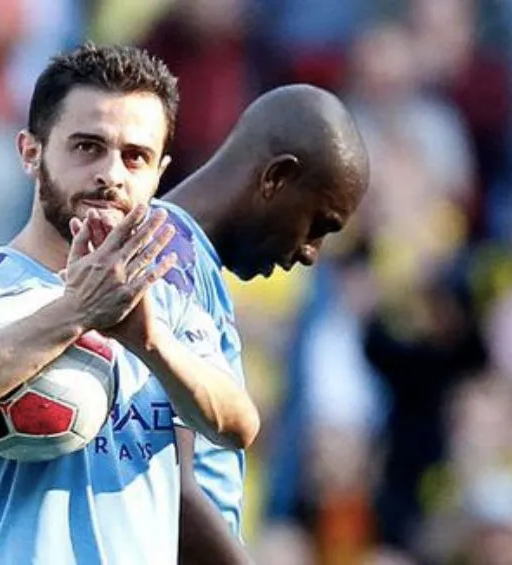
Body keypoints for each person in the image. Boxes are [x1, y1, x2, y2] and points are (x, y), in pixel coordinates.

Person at [0, 43, 260, 565]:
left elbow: (237, 425)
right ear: (31, 152)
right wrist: (74, 313)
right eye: (87, 147)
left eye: (135, 157)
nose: (111, 174)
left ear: (159, 172)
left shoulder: (167, 301)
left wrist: (151, 344)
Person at [155, 84, 369, 564]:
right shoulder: (164, 266)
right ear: (276, 178)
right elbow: (170, 489)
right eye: (318, 225)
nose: (311, 253)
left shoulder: (194, 269)